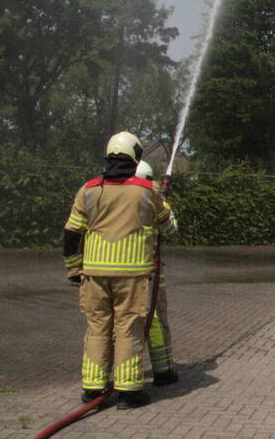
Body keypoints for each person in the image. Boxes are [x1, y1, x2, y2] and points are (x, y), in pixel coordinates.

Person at [63, 132, 175, 409]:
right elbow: (167, 226)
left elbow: (71, 233)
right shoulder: (146, 191)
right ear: (135, 155)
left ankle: (93, 389)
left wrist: (74, 269)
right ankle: (128, 392)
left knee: (97, 328)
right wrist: (166, 202)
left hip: (94, 273)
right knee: (128, 330)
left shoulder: (88, 189)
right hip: (132, 274)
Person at [135, 160, 179, 386]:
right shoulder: (152, 200)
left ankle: (120, 376)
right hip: (149, 275)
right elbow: (170, 229)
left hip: (118, 274)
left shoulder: (114, 198)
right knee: (156, 321)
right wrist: (163, 202)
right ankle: (163, 370)